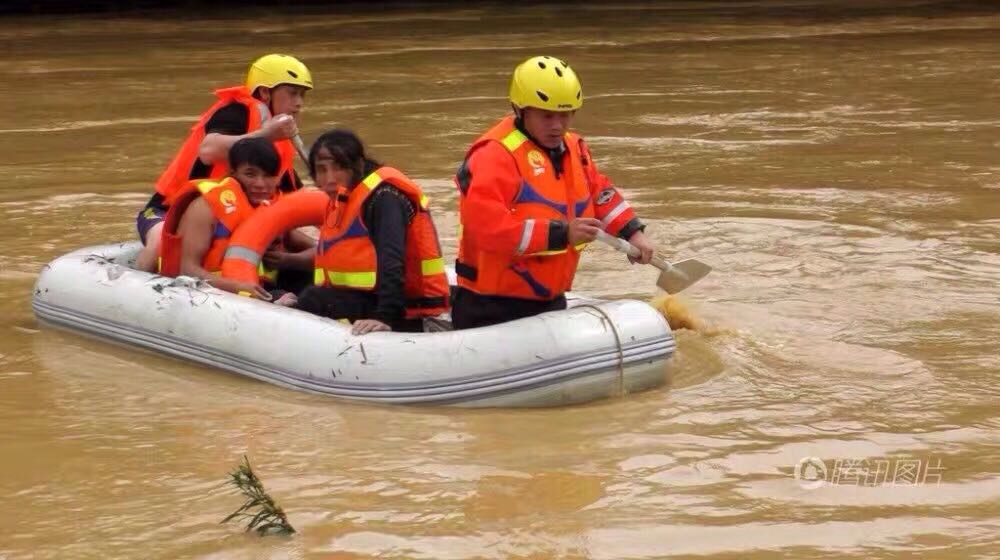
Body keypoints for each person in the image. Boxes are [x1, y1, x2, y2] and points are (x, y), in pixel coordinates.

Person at [451, 55, 656, 329]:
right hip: (492, 304)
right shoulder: (495, 155)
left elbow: (600, 192)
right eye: (547, 116)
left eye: (566, 114)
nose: (558, 125)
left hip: (550, 297)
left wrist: (633, 233)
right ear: (521, 110)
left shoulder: (574, 147)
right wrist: (563, 234)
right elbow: (486, 229)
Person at [135, 53, 313, 272]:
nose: (299, 103)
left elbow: (297, 199)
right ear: (265, 92)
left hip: (227, 216)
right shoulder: (235, 111)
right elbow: (208, 151)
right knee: (159, 246)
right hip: (167, 211)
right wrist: (266, 134)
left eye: (302, 95)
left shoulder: (279, 145)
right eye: (293, 93)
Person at [294, 129, 450, 335]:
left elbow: (392, 260)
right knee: (298, 286)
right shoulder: (344, 199)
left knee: (313, 299)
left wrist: (384, 317)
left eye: (339, 167)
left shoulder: (384, 198)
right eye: (322, 170)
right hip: (374, 298)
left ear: (357, 166)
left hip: (412, 311)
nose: (330, 178)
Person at [157, 137, 310, 300]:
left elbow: (317, 248)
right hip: (214, 292)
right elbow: (188, 269)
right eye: (250, 174)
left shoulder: (273, 207)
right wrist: (238, 287)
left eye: (268, 176)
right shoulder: (206, 207)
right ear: (232, 172)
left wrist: (289, 259)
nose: (260, 184)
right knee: (280, 296)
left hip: (261, 288)